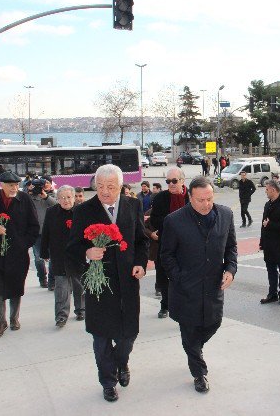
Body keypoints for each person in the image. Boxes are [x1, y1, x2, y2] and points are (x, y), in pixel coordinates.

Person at [66, 164, 149, 403]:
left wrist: (141, 263)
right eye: (100, 186)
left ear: (120, 186)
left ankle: (121, 363)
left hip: (128, 283)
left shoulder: (133, 205)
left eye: (110, 186)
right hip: (99, 285)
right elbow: (72, 249)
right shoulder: (83, 210)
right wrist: (87, 253)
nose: (104, 191)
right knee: (101, 337)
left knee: (128, 336)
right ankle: (108, 382)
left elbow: (141, 241)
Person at [159, 176, 237, 393]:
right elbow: (166, 255)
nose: (206, 204)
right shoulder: (174, 220)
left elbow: (231, 248)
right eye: (200, 200)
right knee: (190, 331)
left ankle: (194, 350)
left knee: (214, 323)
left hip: (213, 287)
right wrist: (179, 277)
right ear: (190, 198)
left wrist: (230, 270)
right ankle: (199, 373)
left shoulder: (226, 214)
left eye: (209, 199)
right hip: (186, 289)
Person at [0, 171, 39, 338]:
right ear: (2, 185)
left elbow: (34, 226)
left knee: (16, 286)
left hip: (17, 253)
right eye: (11, 185)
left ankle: (14, 318)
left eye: (16, 185)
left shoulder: (24, 199)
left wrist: (24, 243)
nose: (14, 188)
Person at [41, 185, 85, 327]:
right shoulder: (51, 212)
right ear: (57, 199)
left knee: (79, 284)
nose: (66, 200)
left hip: (78, 255)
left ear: (74, 198)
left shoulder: (81, 211)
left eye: (68, 197)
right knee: (61, 287)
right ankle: (61, 316)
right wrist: (44, 252)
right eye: (62, 198)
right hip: (59, 255)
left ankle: (81, 310)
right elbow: (46, 232)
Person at [149, 167, 189, 319]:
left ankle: (184, 306)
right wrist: (172, 224)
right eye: (168, 181)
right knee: (164, 276)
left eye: (174, 181)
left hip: (187, 246)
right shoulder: (160, 198)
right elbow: (154, 219)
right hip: (166, 245)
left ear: (182, 181)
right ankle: (165, 305)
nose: (171, 184)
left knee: (186, 278)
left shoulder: (191, 196)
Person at [259, 180, 280, 305]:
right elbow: (263, 225)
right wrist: (262, 242)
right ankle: (272, 294)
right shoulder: (268, 204)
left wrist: (270, 224)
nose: (265, 191)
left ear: (273, 190)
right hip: (269, 244)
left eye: (267, 189)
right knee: (271, 271)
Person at [29, 176, 57, 290]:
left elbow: (57, 205)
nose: (45, 186)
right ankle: (42, 278)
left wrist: (45, 196)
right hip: (37, 233)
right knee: (39, 258)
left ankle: (51, 281)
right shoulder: (30, 198)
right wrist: (29, 191)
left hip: (51, 232)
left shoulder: (53, 195)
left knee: (53, 258)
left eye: (47, 183)